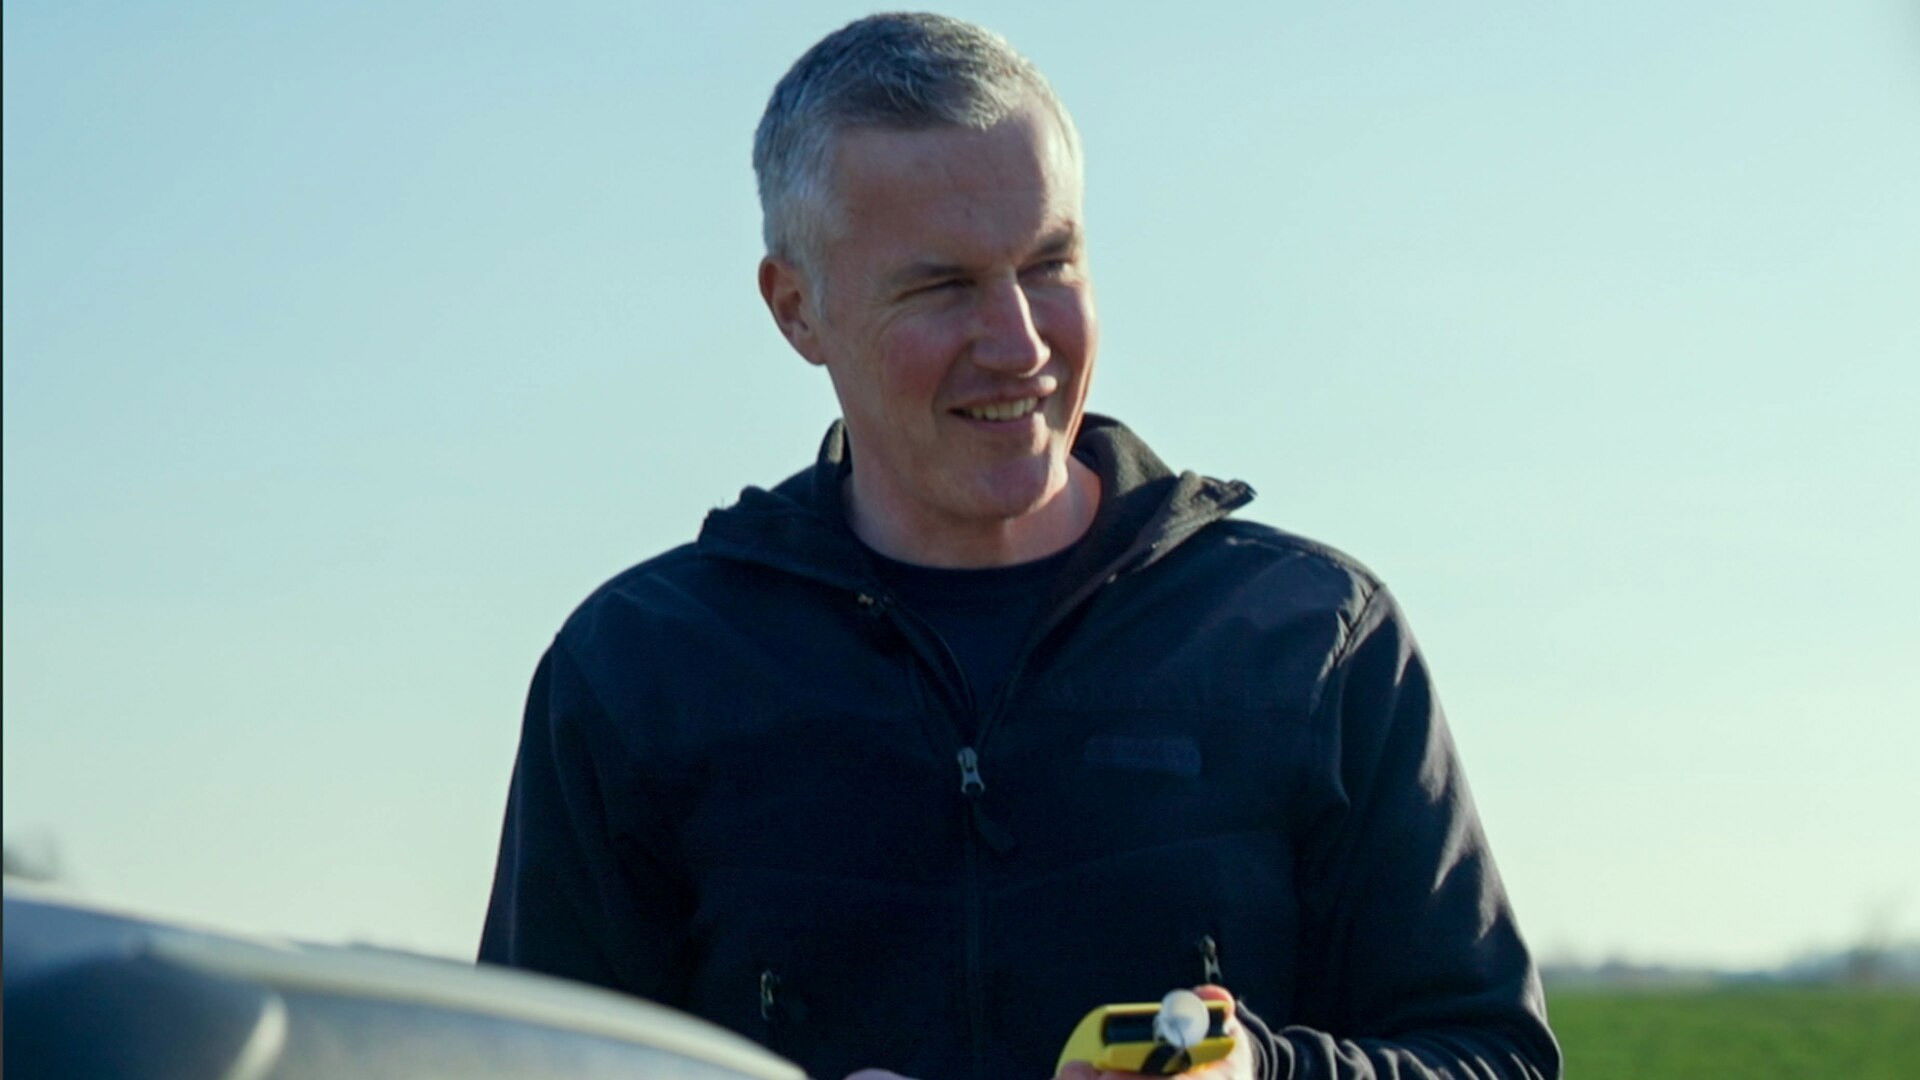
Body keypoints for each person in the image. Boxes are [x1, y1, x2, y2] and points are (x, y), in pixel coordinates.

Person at [479, 12, 1560, 1080]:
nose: (1019, 343)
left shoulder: (1313, 640)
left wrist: (1265, 1076)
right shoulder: (638, 675)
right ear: (797, 308)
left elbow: (1493, 1058)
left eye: (1050, 265)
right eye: (942, 287)